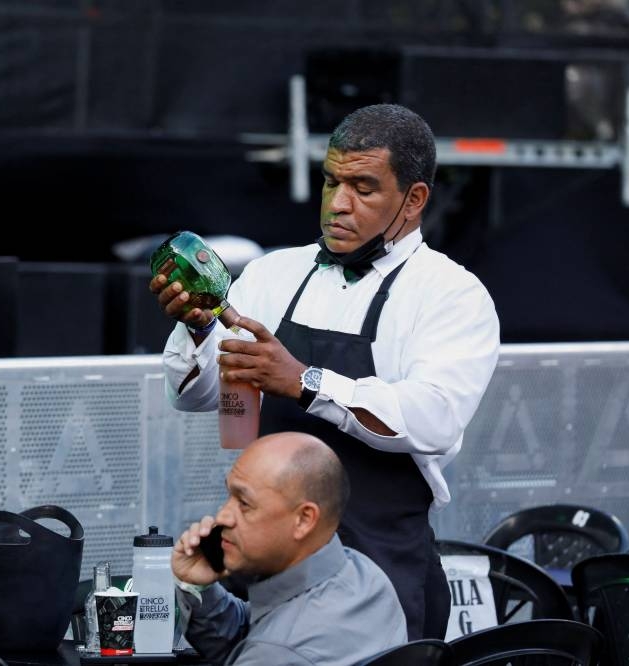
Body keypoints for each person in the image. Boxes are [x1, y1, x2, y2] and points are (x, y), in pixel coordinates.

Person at [150, 103, 500, 639]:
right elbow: (196, 398)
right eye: (331, 181)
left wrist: (305, 382)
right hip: (269, 562)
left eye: (363, 187)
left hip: (382, 561)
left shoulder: (451, 294)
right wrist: (198, 331)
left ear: (414, 199)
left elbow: (433, 420)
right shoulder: (271, 274)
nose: (338, 204)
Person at [174, 431, 406, 665]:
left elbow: (271, 645)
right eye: (229, 496)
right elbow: (254, 632)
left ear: (304, 520)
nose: (223, 515)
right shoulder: (368, 577)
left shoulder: (279, 652)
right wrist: (198, 586)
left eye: (244, 503)